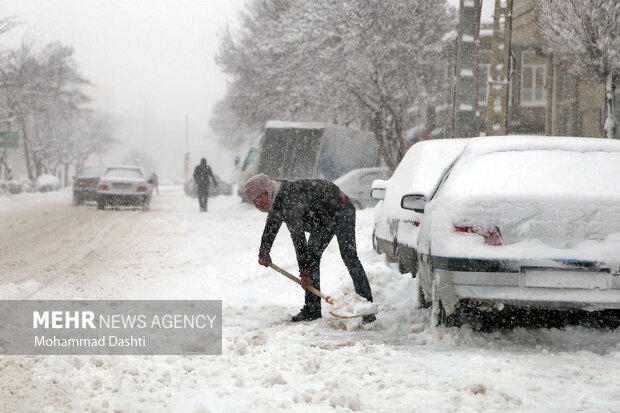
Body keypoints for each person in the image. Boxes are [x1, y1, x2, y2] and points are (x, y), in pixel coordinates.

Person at [243, 173, 375, 324]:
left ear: (267, 190)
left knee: (349, 257)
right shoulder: (276, 201)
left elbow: (299, 241)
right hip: (321, 221)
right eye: (255, 201)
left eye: (261, 196)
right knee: (312, 259)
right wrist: (264, 251)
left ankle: (368, 310)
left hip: (341, 208)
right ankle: (312, 309)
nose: (260, 202)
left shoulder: (288, 199)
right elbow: (271, 226)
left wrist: (304, 273)